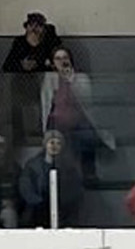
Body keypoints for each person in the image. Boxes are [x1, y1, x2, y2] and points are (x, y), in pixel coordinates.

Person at [41, 46, 104, 179]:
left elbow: (87, 101)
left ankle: (89, 173)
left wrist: (70, 80)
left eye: (65, 58)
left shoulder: (81, 78)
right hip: (57, 119)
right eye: (57, 59)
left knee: (87, 135)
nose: (62, 61)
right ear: (53, 63)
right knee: (58, 138)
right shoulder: (49, 79)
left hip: (78, 119)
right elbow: (46, 103)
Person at [4, 13, 61, 142]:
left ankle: (44, 134)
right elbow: (7, 66)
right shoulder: (19, 42)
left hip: (44, 86)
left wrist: (39, 64)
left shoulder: (51, 41)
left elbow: (55, 64)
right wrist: (21, 66)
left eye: (38, 26)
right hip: (22, 86)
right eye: (31, 25)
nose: (34, 29)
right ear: (26, 27)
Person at [18, 128, 84, 227]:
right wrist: (38, 204)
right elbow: (26, 188)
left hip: (63, 215)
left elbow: (75, 190)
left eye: (58, 143)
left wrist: (64, 204)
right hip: (36, 214)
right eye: (51, 142)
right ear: (45, 144)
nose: (54, 146)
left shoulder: (69, 168)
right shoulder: (32, 166)